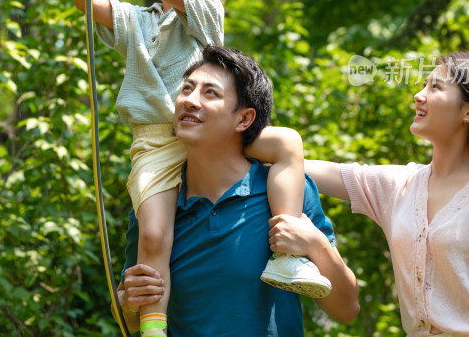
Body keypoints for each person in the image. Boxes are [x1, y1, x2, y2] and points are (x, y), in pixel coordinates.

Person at [70, 0, 330, 336]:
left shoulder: (207, 10)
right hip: (156, 142)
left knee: (286, 142)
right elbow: (88, 3)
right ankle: (153, 330)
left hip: (212, 132)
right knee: (153, 236)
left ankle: (287, 248)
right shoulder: (137, 19)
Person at [306, 51, 469, 337]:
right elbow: (303, 167)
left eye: (435, 87)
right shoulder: (399, 185)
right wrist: (261, 140)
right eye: (423, 85)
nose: (418, 95)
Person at [116, 45, 360, 336]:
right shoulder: (155, 206)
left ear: (244, 119)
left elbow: (346, 310)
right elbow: (131, 320)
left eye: (210, 93)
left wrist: (315, 245)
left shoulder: (286, 192)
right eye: (186, 89)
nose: (190, 100)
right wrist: (128, 304)